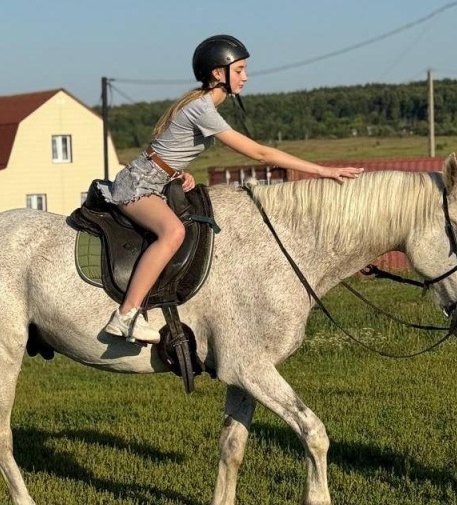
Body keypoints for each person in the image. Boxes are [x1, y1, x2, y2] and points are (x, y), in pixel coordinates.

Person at [102, 34, 364, 343]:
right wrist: (323, 171)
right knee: (173, 233)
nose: (245, 77)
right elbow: (259, 153)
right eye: (239, 70)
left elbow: (167, 149)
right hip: (138, 185)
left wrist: (177, 173)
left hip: (155, 178)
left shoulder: (203, 105)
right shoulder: (202, 109)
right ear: (218, 73)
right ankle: (126, 315)